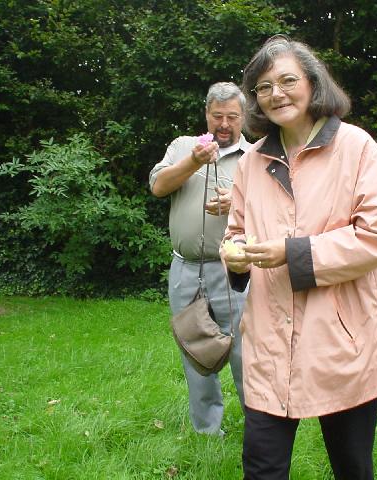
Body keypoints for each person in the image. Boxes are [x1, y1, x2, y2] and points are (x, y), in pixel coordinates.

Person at [220, 34, 377, 479]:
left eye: (288, 80)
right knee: (261, 467)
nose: (276, 93)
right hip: (268, 340)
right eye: (264, 87)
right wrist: (236, 257)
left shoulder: (357, 147)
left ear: (313, 83)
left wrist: (292, 253)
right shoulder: (251, 162)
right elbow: (236, 232)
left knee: (351, 466)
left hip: (344, 341)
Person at [149, 82, 252, 435]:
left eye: (232, 117)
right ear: (207, 114)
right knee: (195, 346)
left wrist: (236, 202)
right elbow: (158, 187)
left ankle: (260, 428)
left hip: (235, 269)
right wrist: (193, 160)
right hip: (186, 268)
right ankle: (207, 431)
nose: (224, 124)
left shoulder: (255, 157)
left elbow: (277, 212)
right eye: (217, 116)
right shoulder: (182, 146)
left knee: (245, 351)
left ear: (243, 117)